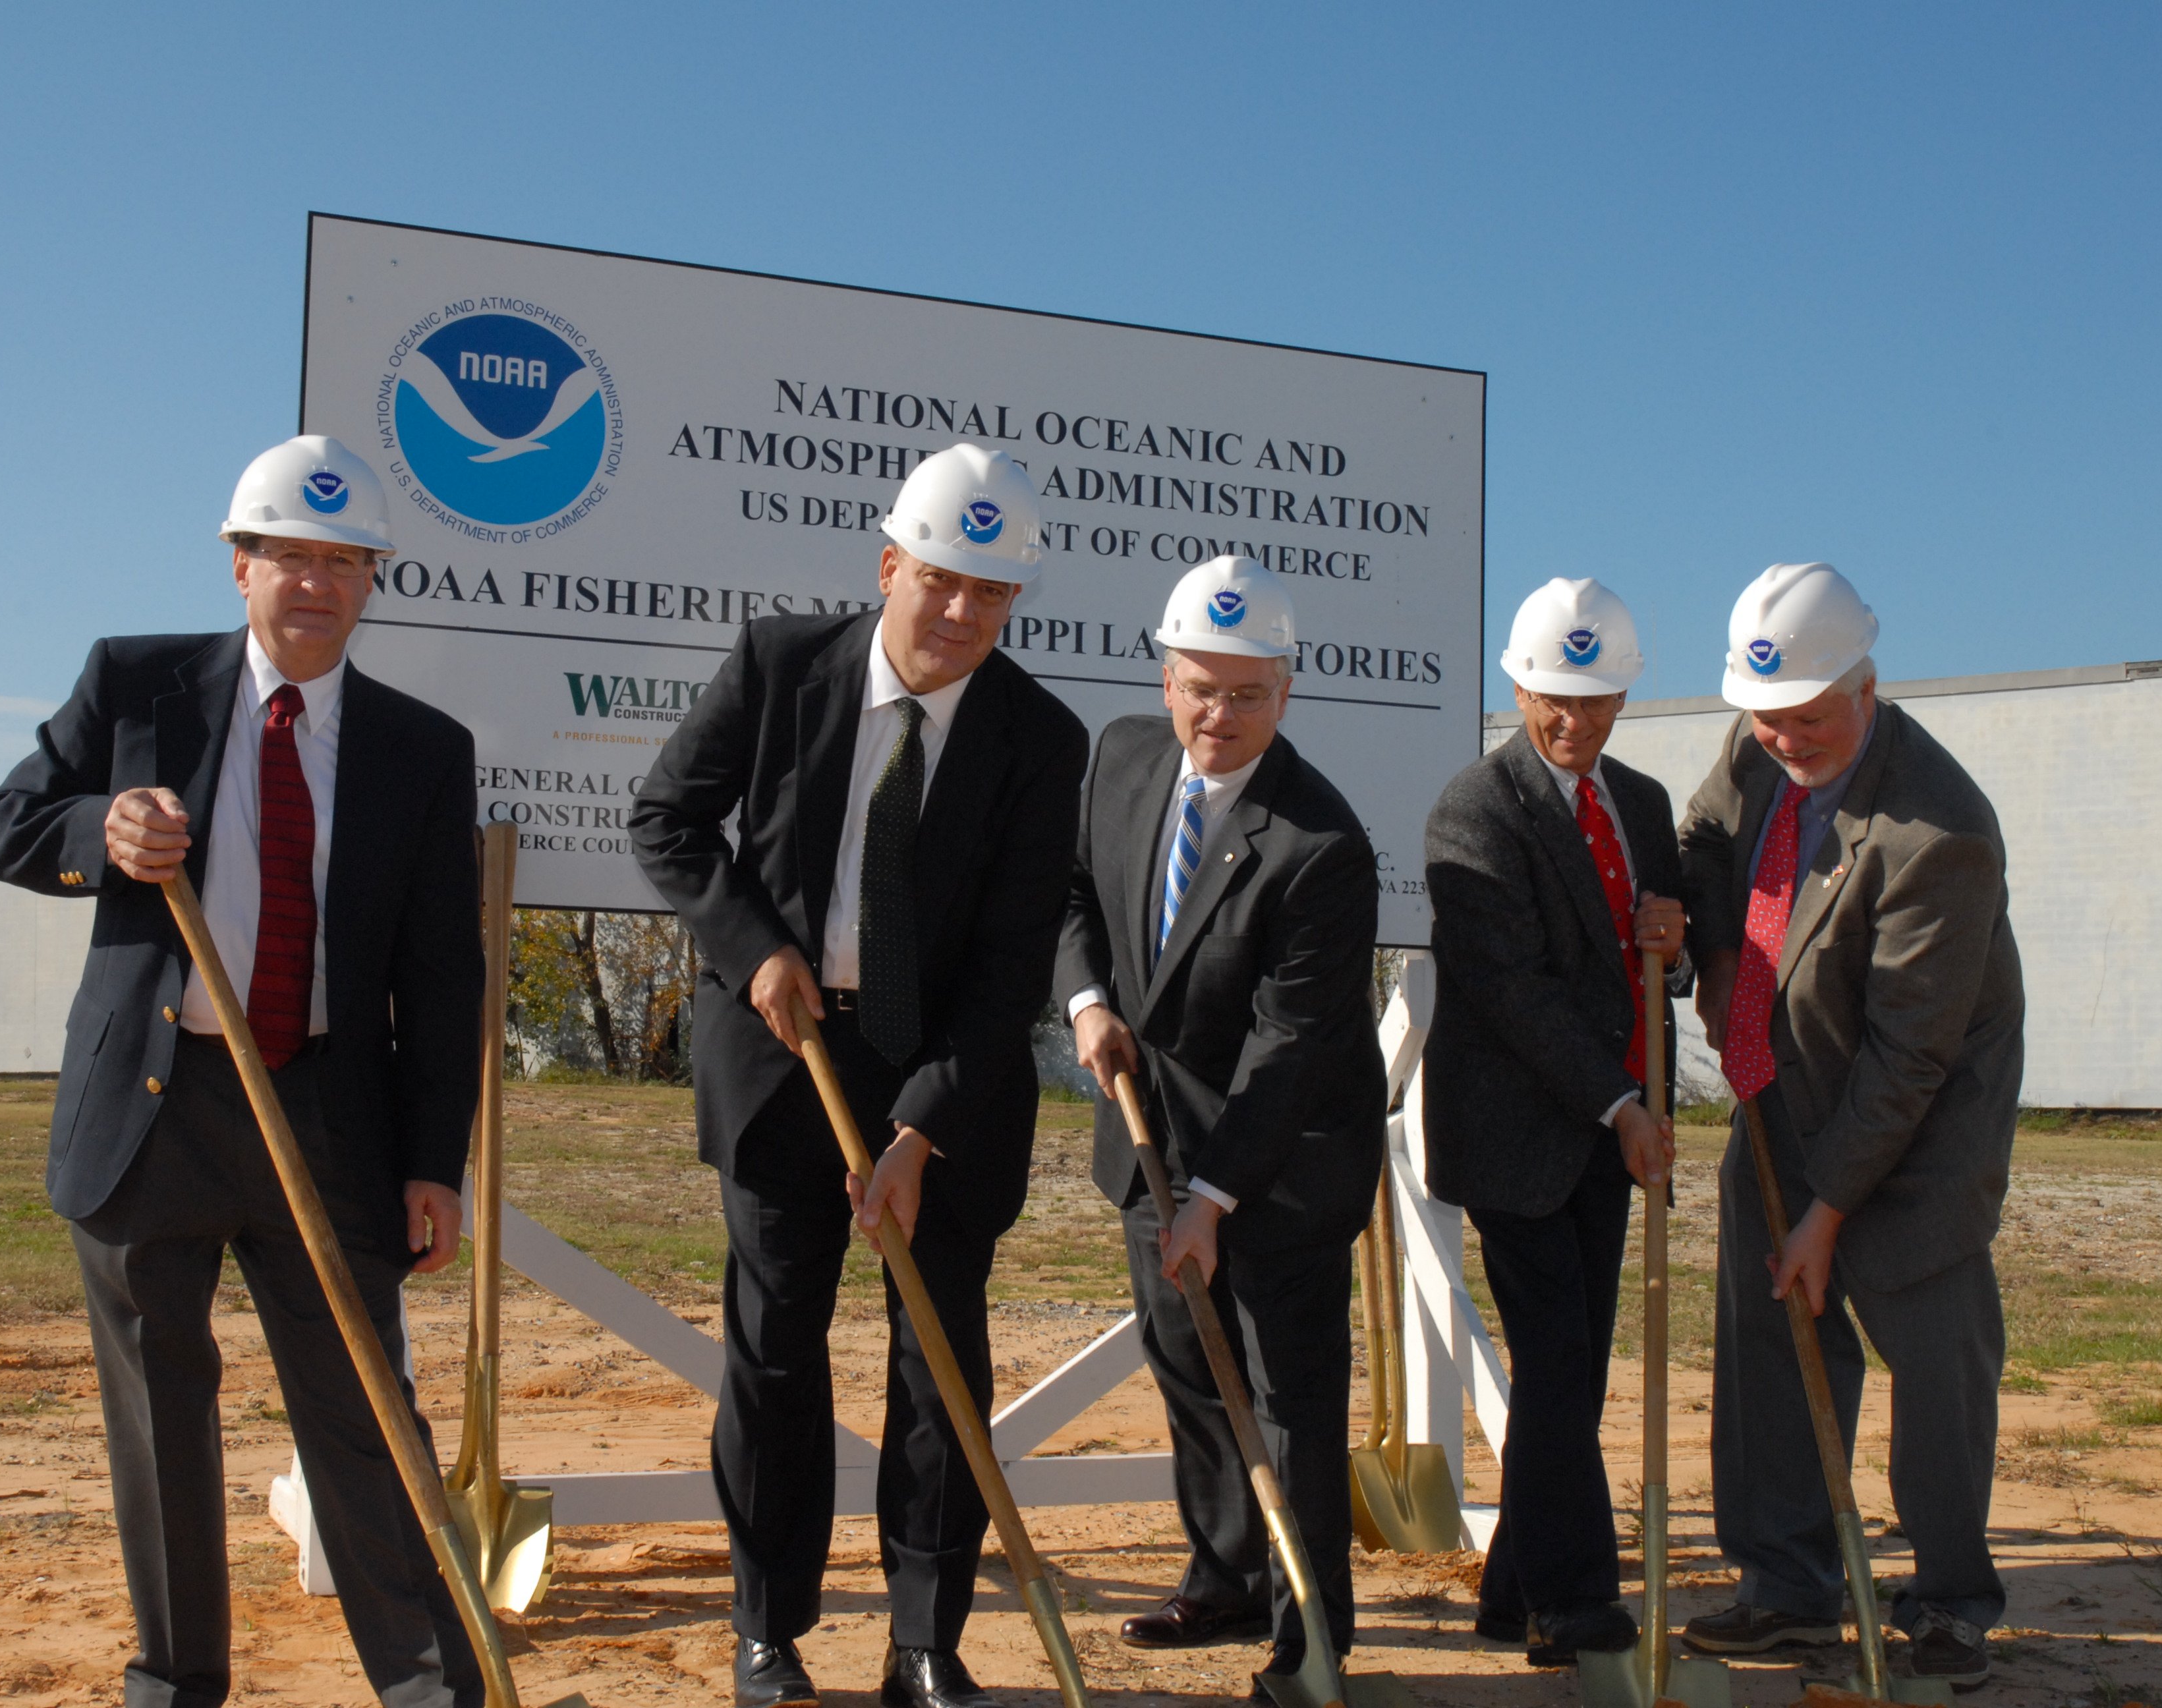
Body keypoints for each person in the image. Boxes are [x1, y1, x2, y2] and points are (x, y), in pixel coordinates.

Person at [0, 436, 486, 1708]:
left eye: (343, 562)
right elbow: (4, 825)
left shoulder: (423, 748)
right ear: (240, 565)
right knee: (163, 1421)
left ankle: (433, 1690)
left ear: (371, 579)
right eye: (291, 558)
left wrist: (434, 1159)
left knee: (366, 1413)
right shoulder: (137, 686)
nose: (316, 585)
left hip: (326, 1113)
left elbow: (438, 974)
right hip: (154, 1112)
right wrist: (105, 830)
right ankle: (178, 1685)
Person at [629, 443, 1088, 1708]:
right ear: (890, 565)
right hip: (787, 1061)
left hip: (944, 1085)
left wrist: (918, 1135)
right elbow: (665, 819)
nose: (959, 614)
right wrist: (751, 949)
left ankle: (924, 1644)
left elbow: (1008, 970)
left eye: (989, 595)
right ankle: (769, 1633)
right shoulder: (781, 667)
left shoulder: (1042, 739)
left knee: (940, 1365)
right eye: (939, 580)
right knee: (777, 1356)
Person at [1677, 561, 2023, 1693]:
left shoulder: (1941, 832)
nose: (1784, 739)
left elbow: (1909, 1058)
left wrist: (1827, 1212)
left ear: (1868, 683)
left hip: (1916, 1133)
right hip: (1779, 1093)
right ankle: (1786, 1592)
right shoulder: (1758, 747)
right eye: (1766, 718)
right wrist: (1693, 934)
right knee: (1768, 1353)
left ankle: (1950, 1608)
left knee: (1936, 1369)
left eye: (1808, 718)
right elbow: (1708, 840)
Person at [1056, 557, 1384, 1704]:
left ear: (1287, 692)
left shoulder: (1323, 845)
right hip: (1150, 1135)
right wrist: (1089, 1002)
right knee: (1190, 1366)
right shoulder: (1123, 758)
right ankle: (1227, 1574)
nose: (1219, 715)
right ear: (1166, 674)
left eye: (1247, 693)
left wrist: (1214, 1200)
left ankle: (1313, 1639)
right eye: (1200, 685)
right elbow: (1075, 899)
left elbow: (1287, 1050)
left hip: (1283, 1165)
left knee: (1287, 1402)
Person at [1420, 577, 1688, 1668]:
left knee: (1570, 1372)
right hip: (1520, 1131)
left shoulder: (1646, 801)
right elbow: (1515, 990)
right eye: (1554, 700)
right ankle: (1574, 1606)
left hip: (1611, 1132)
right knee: (1559, 1350)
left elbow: (1656, 955)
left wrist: (1676, 934)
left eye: (1598, 700)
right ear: (1518, 683)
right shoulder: (1476, 809)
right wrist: (1620, 1103)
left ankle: (1511, 1587)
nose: (1574, 723)